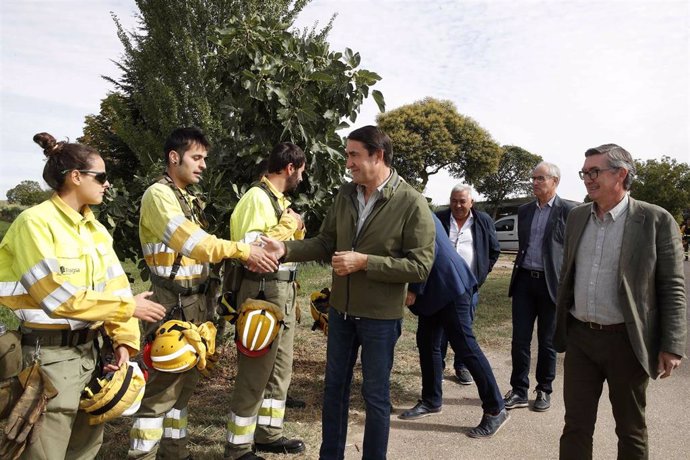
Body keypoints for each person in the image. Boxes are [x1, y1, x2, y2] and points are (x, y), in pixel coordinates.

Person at [262, 125, 435, 460]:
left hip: (380, 319)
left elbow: (420, 266)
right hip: (340, 313)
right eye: (347, 155)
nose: (347, 163)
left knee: (375, 396)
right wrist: (284, 248)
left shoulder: (411, 203)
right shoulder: (345, 194)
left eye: (354, 155)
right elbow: (327, 242)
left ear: (378, 155)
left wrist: (364, 262)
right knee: (334, 391)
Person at [0, 132, 166, 459]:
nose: (107, 184)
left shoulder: (95, 230)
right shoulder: (34, 224)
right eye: (101, 176)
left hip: (92, 356)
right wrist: (128, 307)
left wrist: (123, 342)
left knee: (86, 449)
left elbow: (115, 286)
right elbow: (54, 297)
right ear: (75, 177)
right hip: (47, 360)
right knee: (42, 451)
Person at [128, 127, 278, 460]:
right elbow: (193, 244)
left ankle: (175, 453)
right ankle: (142, 455)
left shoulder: (186, 198)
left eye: (205, 159)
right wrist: (242, 250)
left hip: (194, 303)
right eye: (197, 157)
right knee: (161, 391)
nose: (203, 165)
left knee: (183, 390)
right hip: (172, 303)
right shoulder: (159, 195)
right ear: (174, 157)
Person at [554, 144, 687, 459]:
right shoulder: (576, 217)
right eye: (584, 172)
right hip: (581, 338)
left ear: (621, 174)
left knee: (630, 429)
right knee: (575, 425)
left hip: (627, 341)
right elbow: (567, 274)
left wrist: (672, 344)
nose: (587, 178)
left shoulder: (655, 220)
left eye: (594, 172)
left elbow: (673, 285)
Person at [224, 142, 307, 460]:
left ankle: (268, 434)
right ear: (290, 168)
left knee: (278, 370)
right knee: (255, 372)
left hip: (281, 293)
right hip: (261, 292)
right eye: (301, 170)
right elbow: (250, 251)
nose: (301, 177)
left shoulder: (277, 201)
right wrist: (291, 227)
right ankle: (238, 447)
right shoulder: (256, 199)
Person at [399, 213, 509, 438]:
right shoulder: (405, 208)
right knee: (427, 342)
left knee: (466, 348)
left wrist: (413, 288)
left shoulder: (412, 208)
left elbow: (426, 250)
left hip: (450, 285)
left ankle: (495, 409)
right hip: (433, 292)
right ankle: (431, 400)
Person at [504, 161, 575, 412]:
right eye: (533, 178)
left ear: (554, 181)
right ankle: (519, 390)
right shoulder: (524, 210)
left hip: (551, 284)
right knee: (519, 339)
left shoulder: (570, 211)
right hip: (524, 280)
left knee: (547, 340)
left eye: (540, 178)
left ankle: (544, 389)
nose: (534, 182)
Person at [435, 184, 500, 384]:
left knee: (463, 329)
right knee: (439, 329)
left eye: (462, 201)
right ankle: (439, 367)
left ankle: (461, 367)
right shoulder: (439, 218)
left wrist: (480, 274)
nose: (458, 205)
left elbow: (494, 250)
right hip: (441, 285)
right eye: (454, 200)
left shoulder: (483, 221)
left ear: (471, 202)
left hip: (468, 287)